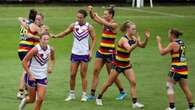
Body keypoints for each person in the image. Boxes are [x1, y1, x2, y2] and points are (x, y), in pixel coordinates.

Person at [96, 21, 150, 109]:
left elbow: (142, 46)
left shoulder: (133, 38)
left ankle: (135, 103)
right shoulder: (123, 39)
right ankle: (99, 98)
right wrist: (136, 43)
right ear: (127, 29)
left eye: (135, 29)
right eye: (133, 29)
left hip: (126, 64)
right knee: (109, 83)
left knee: (133, 82)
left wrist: (146, 39)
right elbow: (128, 49)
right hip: (118, 65)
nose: (135, 30)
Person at [52, 9, 96, 102]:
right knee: (72, 75)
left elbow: (94, 38)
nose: (78, 19)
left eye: (80, 17)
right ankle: (72, 94)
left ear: (84, 17)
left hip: (84, 54)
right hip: (75, 53)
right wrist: (55, 36)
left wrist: (91, 51)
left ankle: (84, 95)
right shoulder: (73, 25)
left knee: (83, 75)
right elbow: (64, 33)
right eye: (77, 17)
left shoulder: (89, 27)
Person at [87, 5, 127, 100]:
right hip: (101, 52)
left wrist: (98, 17)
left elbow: (105, 23)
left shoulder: (114, 25)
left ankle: (122, 92)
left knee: (111, 74)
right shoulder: (104, 22)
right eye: (103, 14)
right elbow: (93, 18)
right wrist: (91, 11)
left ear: (111, 15)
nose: (104, 16)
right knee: (95, 71)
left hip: (110, 54)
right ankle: (92, 94)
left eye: (105, 14)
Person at [156, 28, 194, 110]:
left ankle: (172, 107)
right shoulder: (181, 42)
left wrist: (159, 42)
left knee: (169, 86)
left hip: (176, 68)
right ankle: (191, 107)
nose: (168, 36)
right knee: (185, 87)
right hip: (184, 67)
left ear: (172, 35)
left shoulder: (173, 44)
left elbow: (162, 52)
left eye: (169, 34)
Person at [18, 32, 55, 110]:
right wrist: (30, 75)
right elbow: (24, 62)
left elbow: (53, 59)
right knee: (32, 99)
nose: (45, 41)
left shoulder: (50, 49)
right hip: (32, 76)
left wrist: (51, 67)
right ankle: (25, 100)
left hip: (42, 77)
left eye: (47, 39)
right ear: (40, 39)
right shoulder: (35, 49)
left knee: (40, 99)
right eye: (44, 39)